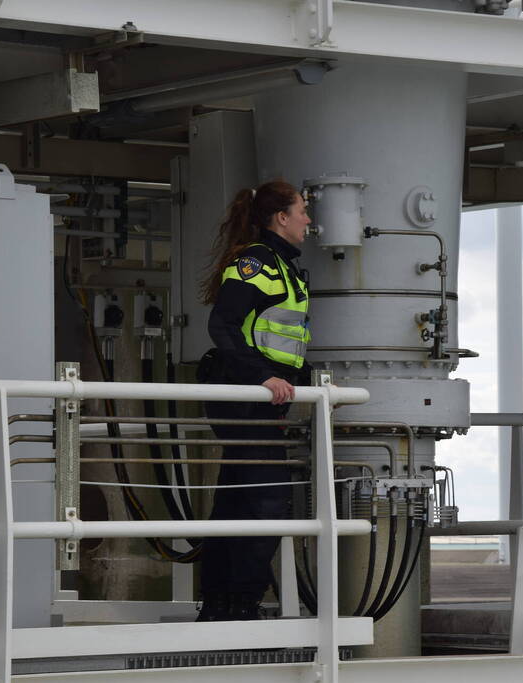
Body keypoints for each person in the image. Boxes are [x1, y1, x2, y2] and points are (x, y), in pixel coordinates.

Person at [196, 179, 312, 621]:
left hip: (263, 399)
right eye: (302, 211)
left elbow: (280, 341)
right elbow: (223, 326)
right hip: (244, 396)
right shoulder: (256, 263)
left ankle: (219, 606)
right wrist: (261, 377)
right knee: (267, 501)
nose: (308, 220)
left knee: (237, 501)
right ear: (282, 217)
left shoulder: (283, 266)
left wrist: (309, 382)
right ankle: (241, 604)